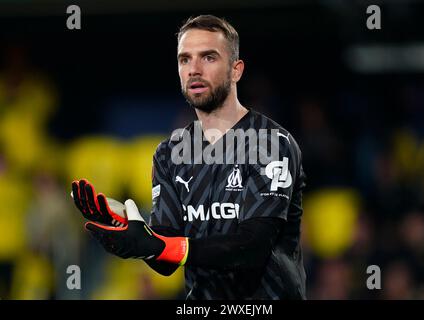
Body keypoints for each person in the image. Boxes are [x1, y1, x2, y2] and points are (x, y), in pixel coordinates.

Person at [71, 15, 307, 300]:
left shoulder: (271, 143)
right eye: (185, 59)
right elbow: (165, 258)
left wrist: (159, 246)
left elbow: (252, 248)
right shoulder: (169, 154)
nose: (194, 69)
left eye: (208, 58)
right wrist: (126, 223)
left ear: (236, 70)